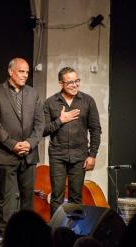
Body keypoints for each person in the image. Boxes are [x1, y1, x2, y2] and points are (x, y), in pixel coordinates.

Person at [0, 58, 44, 236]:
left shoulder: (33, 94)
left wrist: (29, 143)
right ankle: (5, 232)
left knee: (28, 197)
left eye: (27, 72)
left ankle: (27, 233)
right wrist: (13, 145)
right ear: (11, 72)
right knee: (6, 197)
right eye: (21, 71)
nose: (25, 75)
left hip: (29, 153)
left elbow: (40, 123)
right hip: (6, 153)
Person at [43, 67, 101, 216]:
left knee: (76, 197)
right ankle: (55, 233)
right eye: (70, 82)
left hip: (79, 156)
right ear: (61, 83)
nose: (75, 85)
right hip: (58, 155)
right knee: (57, 197)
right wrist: (60, 120)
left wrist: (92, 155)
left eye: (77, 81)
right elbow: (42, 130)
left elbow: (95, 129)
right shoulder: (51, 102)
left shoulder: (87, 101)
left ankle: (75, 232)